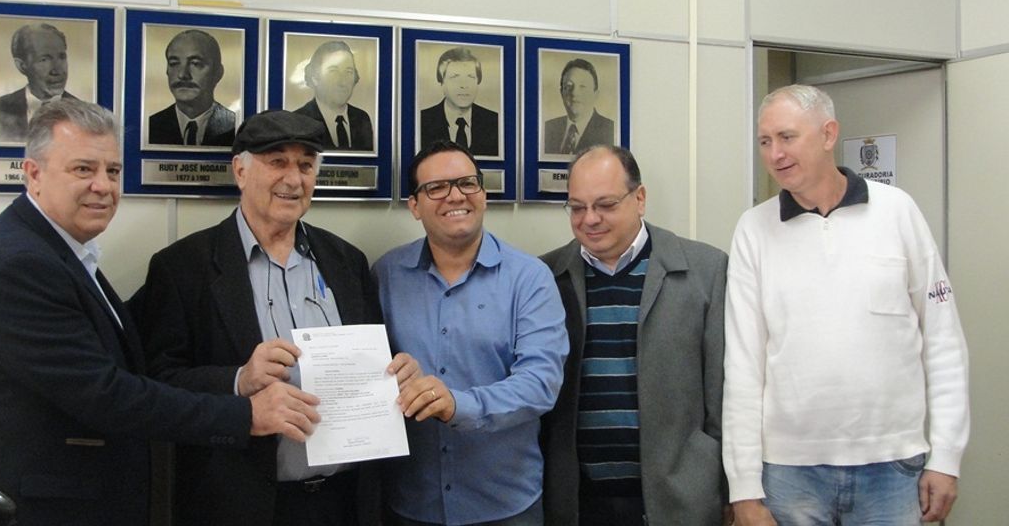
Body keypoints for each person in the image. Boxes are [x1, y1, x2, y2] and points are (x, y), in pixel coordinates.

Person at [0, 99, 321, 526]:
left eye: (113, 171)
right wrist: (247, 412)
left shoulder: (62, 252)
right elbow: (106, 394)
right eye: (83, 169)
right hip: (55, 504)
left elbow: (123, 347)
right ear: (34, 174)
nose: (103, 186)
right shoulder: (22, 264)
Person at [132, 110, 414, 525]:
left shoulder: (347, 261)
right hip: (238, 504)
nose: (293, 179)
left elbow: (374, 364)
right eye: (277, 162)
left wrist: (397, 373)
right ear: (240, 171)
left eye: (306, 165)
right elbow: (157, 383)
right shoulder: (183, 268)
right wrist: (238, 380)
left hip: (345, 503)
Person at [724, 84, 970, 525]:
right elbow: (743, 366)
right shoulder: (753, 230)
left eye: (787, 137)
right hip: (789, 472)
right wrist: (743, 487)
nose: (775, 154)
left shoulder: (897, 212)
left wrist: (947, 456)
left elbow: (944, 341)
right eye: (764, 141)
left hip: (893, 466)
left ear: (828, 133)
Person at [373, 140, 568, 525]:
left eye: (467, 183)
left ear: (483, 194)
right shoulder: (386, 275)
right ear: (414, 206)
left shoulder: (529, 278)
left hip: (505, 505)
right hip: (412, 504)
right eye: (436, 187)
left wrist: (458, 405)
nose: (455, 196)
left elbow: (540, 383)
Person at [541, 145, 729, 525]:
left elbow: (722, 396)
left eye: (605, 205)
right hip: (577, 504)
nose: (590, 219)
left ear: (639, 199)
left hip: (680, 504)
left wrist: (730, 490)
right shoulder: (545, 278)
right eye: (577, 208)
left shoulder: (706, 271)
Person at [148, 28, 236, 147]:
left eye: (195, 64)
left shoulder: (235, 127)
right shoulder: (151, 126)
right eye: (174, 63)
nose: (182, 74)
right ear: (167, 70)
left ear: (218, 73)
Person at [0, 23, 77, 142]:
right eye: (44, 59)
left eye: (61, 57)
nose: (57, 70)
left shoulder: (84, 112)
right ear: (22, 66)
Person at [419, 46, 499, 157]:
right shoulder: (422, 121)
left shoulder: (495, 122)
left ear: (478, 82)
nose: (464, 85)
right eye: (455, 77)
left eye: (470, 77)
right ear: (441, 83)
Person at [295, 40, 374, 151]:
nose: (343, 82)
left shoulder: (362, 118)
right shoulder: (298, 120)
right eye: (333, 71)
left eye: (349, 72)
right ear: (315, 78)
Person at [543, 58, 614, 155]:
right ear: (561, 93)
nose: (574, 93)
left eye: (582, 87)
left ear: (595, 94)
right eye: (568, 86)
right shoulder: (548, 128)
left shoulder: (610, 130)